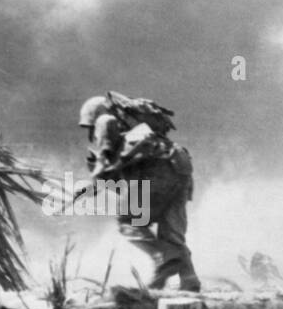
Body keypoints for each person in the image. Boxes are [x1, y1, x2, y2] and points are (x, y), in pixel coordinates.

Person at [79, 93, 200, 292]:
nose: (91, 132)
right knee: (171, 233)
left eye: (89, 127)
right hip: (179, 168)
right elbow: (118, 180)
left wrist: (94, 177)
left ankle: (162, 260)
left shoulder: (105, 120)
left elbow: (104, 167)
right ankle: (189, 278)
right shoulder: (141, 132)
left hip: (154, 173)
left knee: (128, 221)